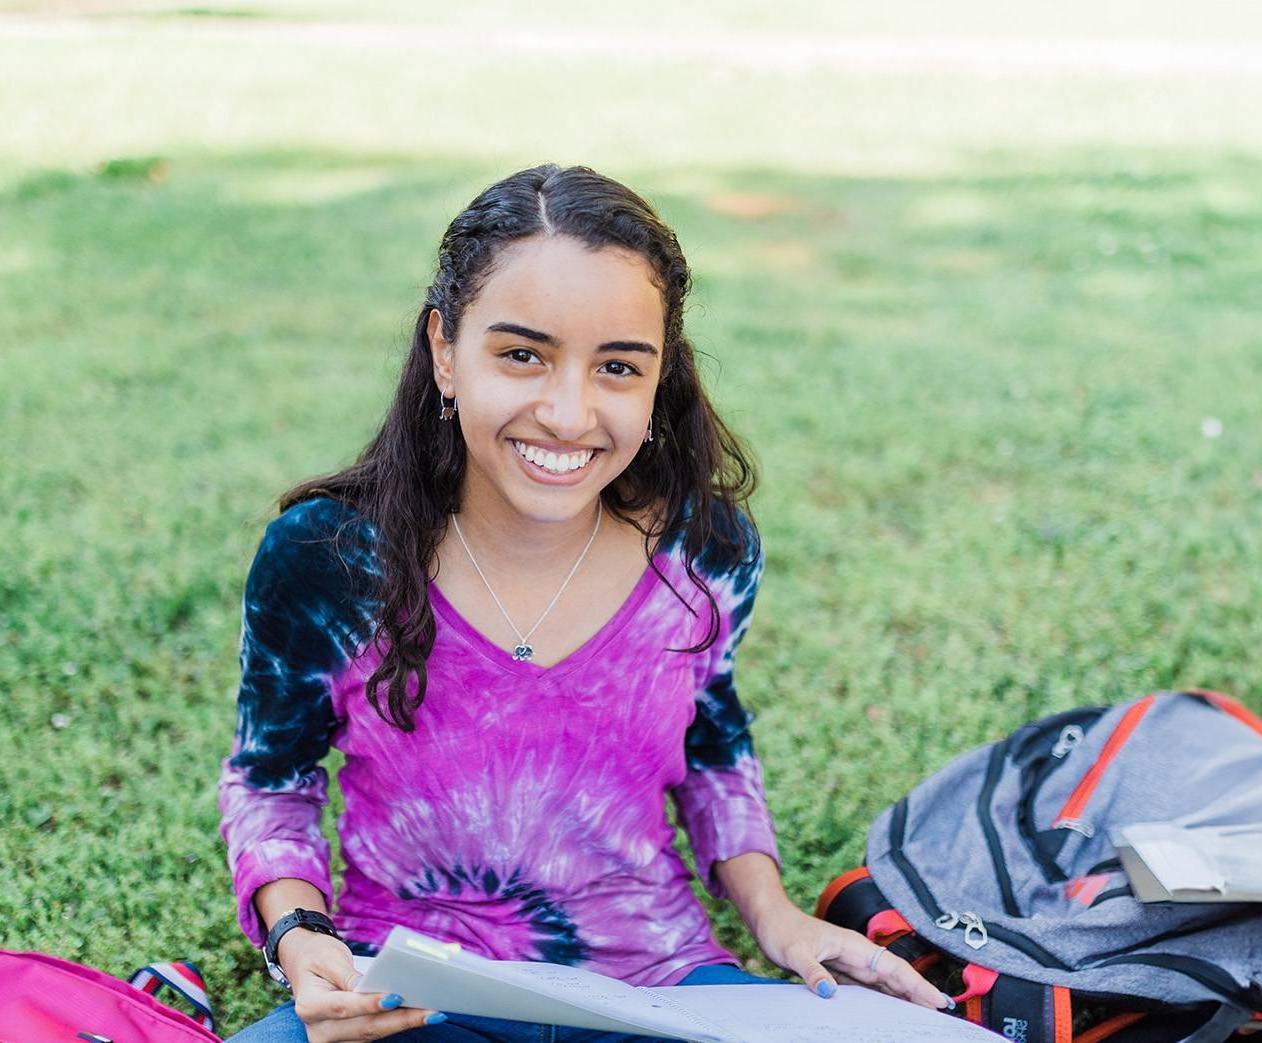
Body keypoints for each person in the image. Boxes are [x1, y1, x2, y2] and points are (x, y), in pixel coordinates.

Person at [218, 164, 952, 1043]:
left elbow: (713, 742)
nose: (569, 413)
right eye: (522, 354)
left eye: (616, 366)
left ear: (658, 378)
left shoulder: (702, 551)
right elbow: (273, 777)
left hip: (654, 981)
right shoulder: (330, 559)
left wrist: (776, 916)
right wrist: (301, 934)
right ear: (446, 350)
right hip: (405, 987)